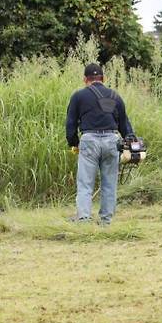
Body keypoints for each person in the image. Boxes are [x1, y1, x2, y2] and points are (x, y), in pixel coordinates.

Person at [65, 63, 135, 225]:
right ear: (103, 79)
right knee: (109, 184)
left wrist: (74, 143)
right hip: (112, 140)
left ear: (85, 79)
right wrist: (131, 141)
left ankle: (84, 219)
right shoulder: (115, 96)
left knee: (85, 184)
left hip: (89, 141)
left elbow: (70, 124)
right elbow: (124, 124)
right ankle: (106, 221)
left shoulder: (78, 96)